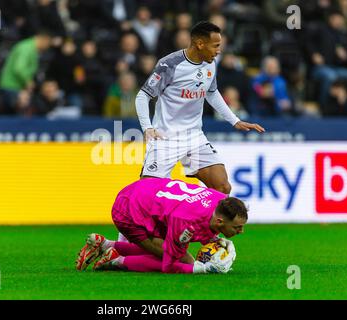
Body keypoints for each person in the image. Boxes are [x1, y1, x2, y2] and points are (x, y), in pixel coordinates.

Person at [135, 21, 265, 195]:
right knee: (147, 193)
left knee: (222, 187)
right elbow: (143, 96)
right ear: (200, 44)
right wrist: (147, 128)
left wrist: (235, 121)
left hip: (194, 136)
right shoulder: (170, 64)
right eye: (216, 46)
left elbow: (211, 93)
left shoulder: (210, 63)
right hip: (166, 137)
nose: (219, 51)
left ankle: (206, 222)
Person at [76, 178, 248, 274]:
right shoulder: (185, 222)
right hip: (128, 210)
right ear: (219, 221)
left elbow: (205, 222)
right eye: (237, 227)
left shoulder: (220, 200)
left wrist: (215, 238)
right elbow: (169, 266)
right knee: (180, 259)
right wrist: (199, 269)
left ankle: (105, 245)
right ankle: (114, 260)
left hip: (148, 194)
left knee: (171, 252)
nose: (241, 231)